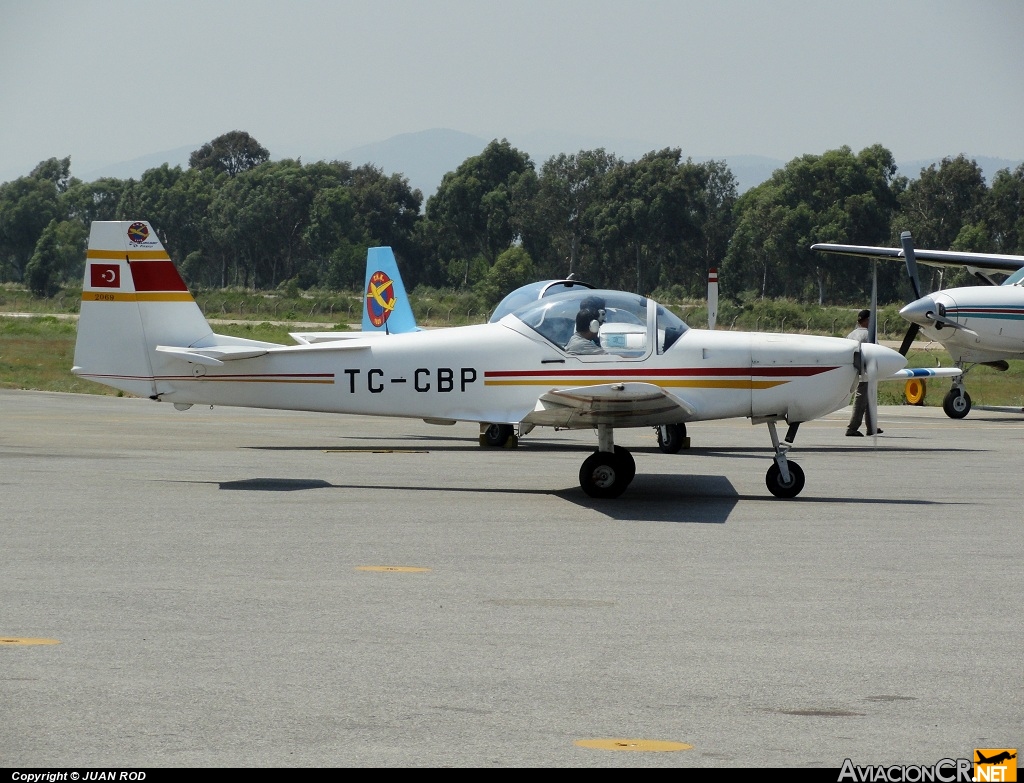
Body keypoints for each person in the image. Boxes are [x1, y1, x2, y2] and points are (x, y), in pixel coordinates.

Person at [845, 308, 882, 436]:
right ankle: (852, 428)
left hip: (854, 371)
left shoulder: (851, 334)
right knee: (861, 399)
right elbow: (876, 352)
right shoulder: (868, 335)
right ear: (867, 321)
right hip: (866, 371)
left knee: (869, 398)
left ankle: (871, 427)